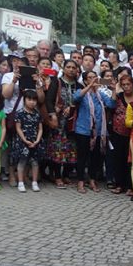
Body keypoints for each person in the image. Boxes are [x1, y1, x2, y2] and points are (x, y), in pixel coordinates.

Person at [72, 70, 114, 193]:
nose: (93, 80)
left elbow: (111, 104)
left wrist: (114, 89)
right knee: (82, 157)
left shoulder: (101, 94)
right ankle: (80, 181)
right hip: (84, 130)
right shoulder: (83, 92)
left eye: (95, 77)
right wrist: (89, 86)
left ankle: (92, 179)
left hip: (99, 131)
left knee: (95, 158)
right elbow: (76, 97)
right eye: (90, 78)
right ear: (85, 81)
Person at [46, 59, 79, 189]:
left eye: (73, 67)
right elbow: (49, 100)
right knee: (57, 148)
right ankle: (57, 176)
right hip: (59, 121)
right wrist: (53, 115)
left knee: (71, 149)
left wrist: (72, 106)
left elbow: (80, 100)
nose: (71, 69)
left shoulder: (79, 85)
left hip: (72, 122)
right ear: (63, 69)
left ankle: (66, 174)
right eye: (68, 67)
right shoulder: (56, 82)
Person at [108, 69, 133, 195]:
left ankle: (130, 186)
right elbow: (111, 105)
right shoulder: (119, 97)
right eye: (123, 84)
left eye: (128, 84)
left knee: (131, 161)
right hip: (118, 132)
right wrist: (115, 89)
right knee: (118, 159)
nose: (126, 87)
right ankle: (119, 184)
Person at [11, 89, 44, 192]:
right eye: (29, 99)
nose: (32, 102)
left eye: (34, 100)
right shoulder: (19, 113)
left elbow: (40, 128)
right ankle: (20, 182)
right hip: (22, 141)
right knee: (22, 162)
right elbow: (18, 128)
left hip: (35, 141)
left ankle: (34, 182)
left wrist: (37, 140)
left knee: (35, 162)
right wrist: (25, 140)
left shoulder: (37, 114)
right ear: (24, 100)